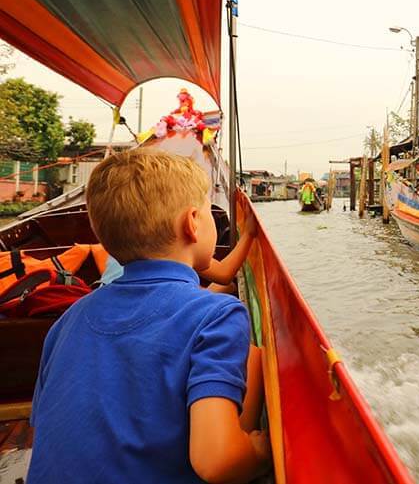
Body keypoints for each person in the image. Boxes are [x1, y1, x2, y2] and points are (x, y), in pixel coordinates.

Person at [28, 149, 271, 484]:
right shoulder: (218, 315)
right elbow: (219, 462)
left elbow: (45, 425)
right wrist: (257, 453)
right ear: (192, 223)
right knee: (254, 361)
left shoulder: (67, 320)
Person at [99, 211, 259, 294]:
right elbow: (225, 274)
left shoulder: (127, 247)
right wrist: (249, 234)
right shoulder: (177, 248)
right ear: (190, 225)